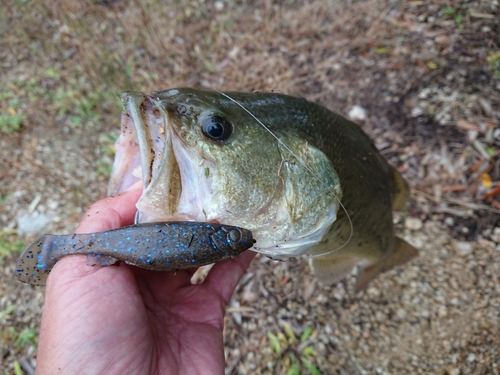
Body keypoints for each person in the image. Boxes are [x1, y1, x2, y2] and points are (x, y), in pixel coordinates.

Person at [36, 184, 256, 375]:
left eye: (235, 238)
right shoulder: (217, 242)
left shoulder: (218, 245)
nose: (236, 238)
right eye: (233, 235)